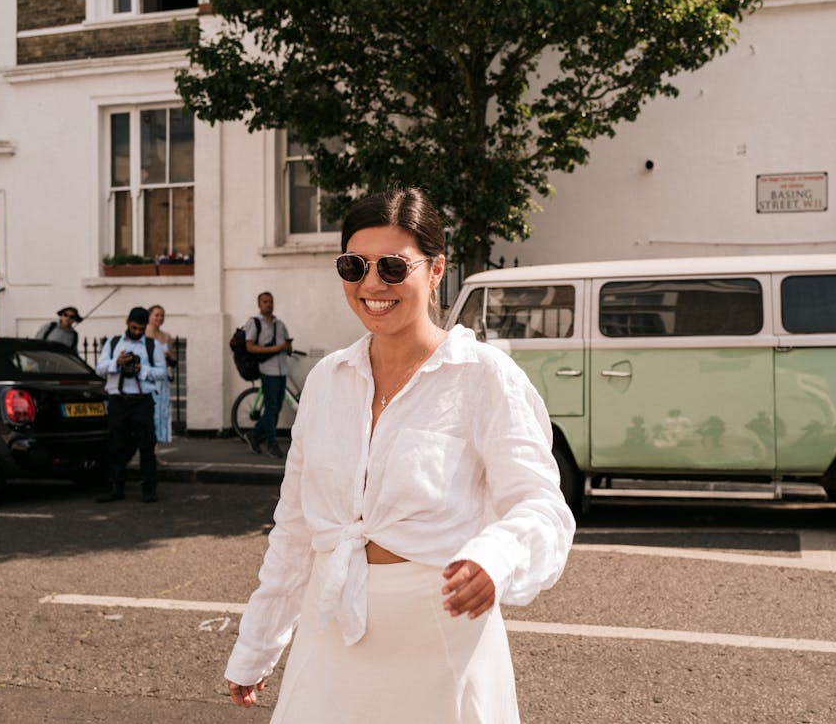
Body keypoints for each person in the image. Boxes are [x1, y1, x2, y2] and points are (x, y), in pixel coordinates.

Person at [224, 188, 575, 722]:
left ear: (436, 271)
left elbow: (541, 506)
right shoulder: (327, 380)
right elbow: (295, 527)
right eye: (353, 265)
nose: (371, 284)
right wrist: (258, 644)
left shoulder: (484, 377)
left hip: (438, 639)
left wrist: (495, 558)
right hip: (331, 634)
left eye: (393, 266)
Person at [95, 306, 168, 503]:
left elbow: (162, 373)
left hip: (142, 401)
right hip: (118, 400)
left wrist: (141, 369)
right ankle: (116, 488)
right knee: (117, 446)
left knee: (146, 446)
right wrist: (116, 363)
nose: (137, 332)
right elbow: (99, 369)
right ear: (127, 322)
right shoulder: (113, 343)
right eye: (134, 328)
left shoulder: (153, 346)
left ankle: (149, 490)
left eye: (141, 329)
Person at [243, 292, 293, 458]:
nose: (268, 304)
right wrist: (275, 349)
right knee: (271, 408)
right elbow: (249, 347)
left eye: (270, 301)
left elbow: (287, 345)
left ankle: (254, 434)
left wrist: (287, 347)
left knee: (276, 408)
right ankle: (272, 444)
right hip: (267, 370)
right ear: (259, 305)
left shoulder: (280, 324)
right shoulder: (254, 323)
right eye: (265, 302)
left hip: (281, 370)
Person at [145, 305, 176, 444]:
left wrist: (168, 356)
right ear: (149, 316)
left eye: (162, 315)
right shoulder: (144, 334)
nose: (160, 318)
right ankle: (149, 450)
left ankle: (155, 451)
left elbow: (174, 360)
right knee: (150, 415)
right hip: (149, 380)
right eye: (156, 315)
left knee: (161, 414)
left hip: (162, 382)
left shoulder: (166, 336)